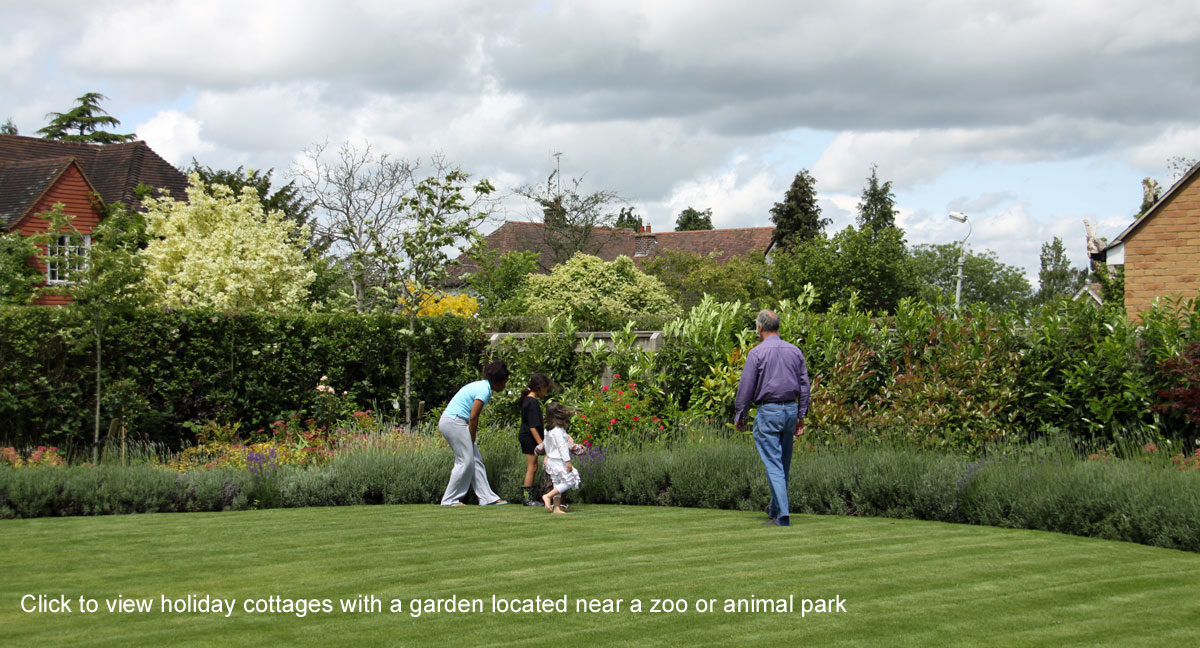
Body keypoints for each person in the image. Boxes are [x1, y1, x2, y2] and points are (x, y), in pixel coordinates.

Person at [734, 310, 810, 527]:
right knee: (783, 464)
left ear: (760, 328)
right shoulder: (795, 351)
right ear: (777, 326)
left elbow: (746, 387)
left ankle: (783, 516)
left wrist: (740, 415)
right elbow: (805, 385)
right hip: (790, 410)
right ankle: (775, 509)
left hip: (769, 411)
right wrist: (801, 415)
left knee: (774, 463)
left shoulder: (757, 353)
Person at [439, 361, 511, 507]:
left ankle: (487, 498)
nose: (504, 386)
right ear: (497, 381)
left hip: (454, 421)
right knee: (465, 461)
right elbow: (473, 417)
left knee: (475, 459)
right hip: (454, 422)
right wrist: (472, 438)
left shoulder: (482, 385)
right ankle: (449, 500)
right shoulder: (484, 390)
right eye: (504, 382)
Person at [516, 373, 554, 506]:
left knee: (534, 467)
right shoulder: (531, 402)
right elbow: (532, 426)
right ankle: (527, 498)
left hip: (528, 436)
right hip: (529, 437)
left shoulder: (528, 400)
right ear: (540, 387)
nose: (546, 392)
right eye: (546, 389)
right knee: (531, 467)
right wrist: (541, 444)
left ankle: (530, 497)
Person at [541, 402, 581, 514]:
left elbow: (546, 445)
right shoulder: (558, 431)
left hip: (551, 461)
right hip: (559, 461)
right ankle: (548, 496)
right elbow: (562, 447)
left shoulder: (547, 430)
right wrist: (567, 462)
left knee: (557, 484)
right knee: (571, 480)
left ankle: (556, 508)